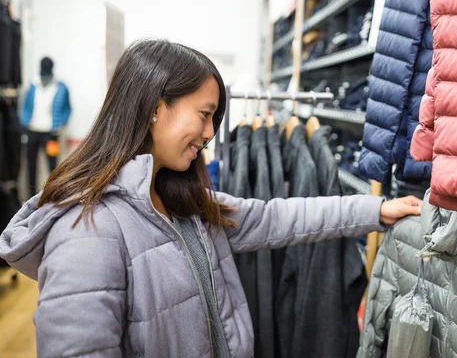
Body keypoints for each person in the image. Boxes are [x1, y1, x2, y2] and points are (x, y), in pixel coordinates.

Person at [0, 40, 422, 358]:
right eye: (204, 114)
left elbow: (280, 218)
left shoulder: (181, 203)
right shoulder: (86, 229)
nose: (210, 134)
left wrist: (376, 209)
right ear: (154, 107)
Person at [19, 57, 71, 197]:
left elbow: (67, 108)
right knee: (31, 166)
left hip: (50, 133)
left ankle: (51, 197)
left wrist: (60, 123)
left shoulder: (61, 87)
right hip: (32, 131)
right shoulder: (32, 86)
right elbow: (25, 106)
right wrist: (24, 122)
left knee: (52, 166)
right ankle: (30, 197)